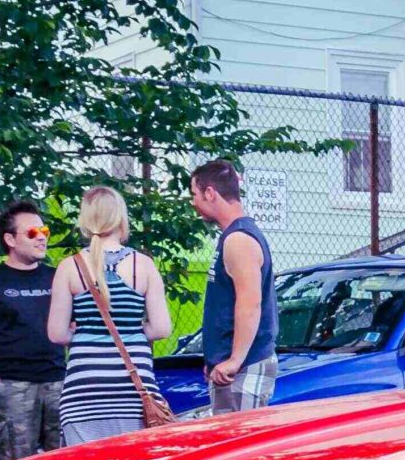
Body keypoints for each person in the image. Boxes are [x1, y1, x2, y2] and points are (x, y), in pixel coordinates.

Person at [48, 186, 172, 445]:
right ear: (121, 219)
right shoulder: (143, 265)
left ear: (85, 220)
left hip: (83, 393)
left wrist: (85, 333)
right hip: (134, 394)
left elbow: (57, 333)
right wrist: (132, 332)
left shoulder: (70, 267)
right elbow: (161, 329)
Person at [0, 200, 64, 460]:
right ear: (9, 239)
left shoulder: (58, 277)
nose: (41, 238)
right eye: (32, 233)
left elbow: (75, 328)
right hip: (12, 387)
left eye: (45, 232)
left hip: (58, 384)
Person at [187, 159, 277, 413]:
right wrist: (217, 358)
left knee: (241, 443)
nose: (193, 202)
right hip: (231, 368)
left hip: (244, 367)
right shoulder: (233, 236)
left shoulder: (239, 240)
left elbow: (250, 304)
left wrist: (235, 360)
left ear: (210, 193)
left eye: (194, 194)